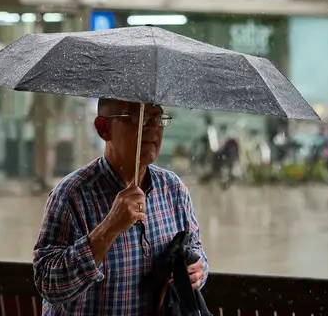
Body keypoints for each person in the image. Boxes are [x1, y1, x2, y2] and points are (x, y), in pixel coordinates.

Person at [33, 99, 208, 315]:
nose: (152, 127)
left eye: (158, 118)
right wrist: (109, 227)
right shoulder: (71, 195)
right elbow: (48, 283)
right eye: (138, 117)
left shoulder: (174, 189)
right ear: (103, 128)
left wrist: (197, 271)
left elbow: (197, 251)